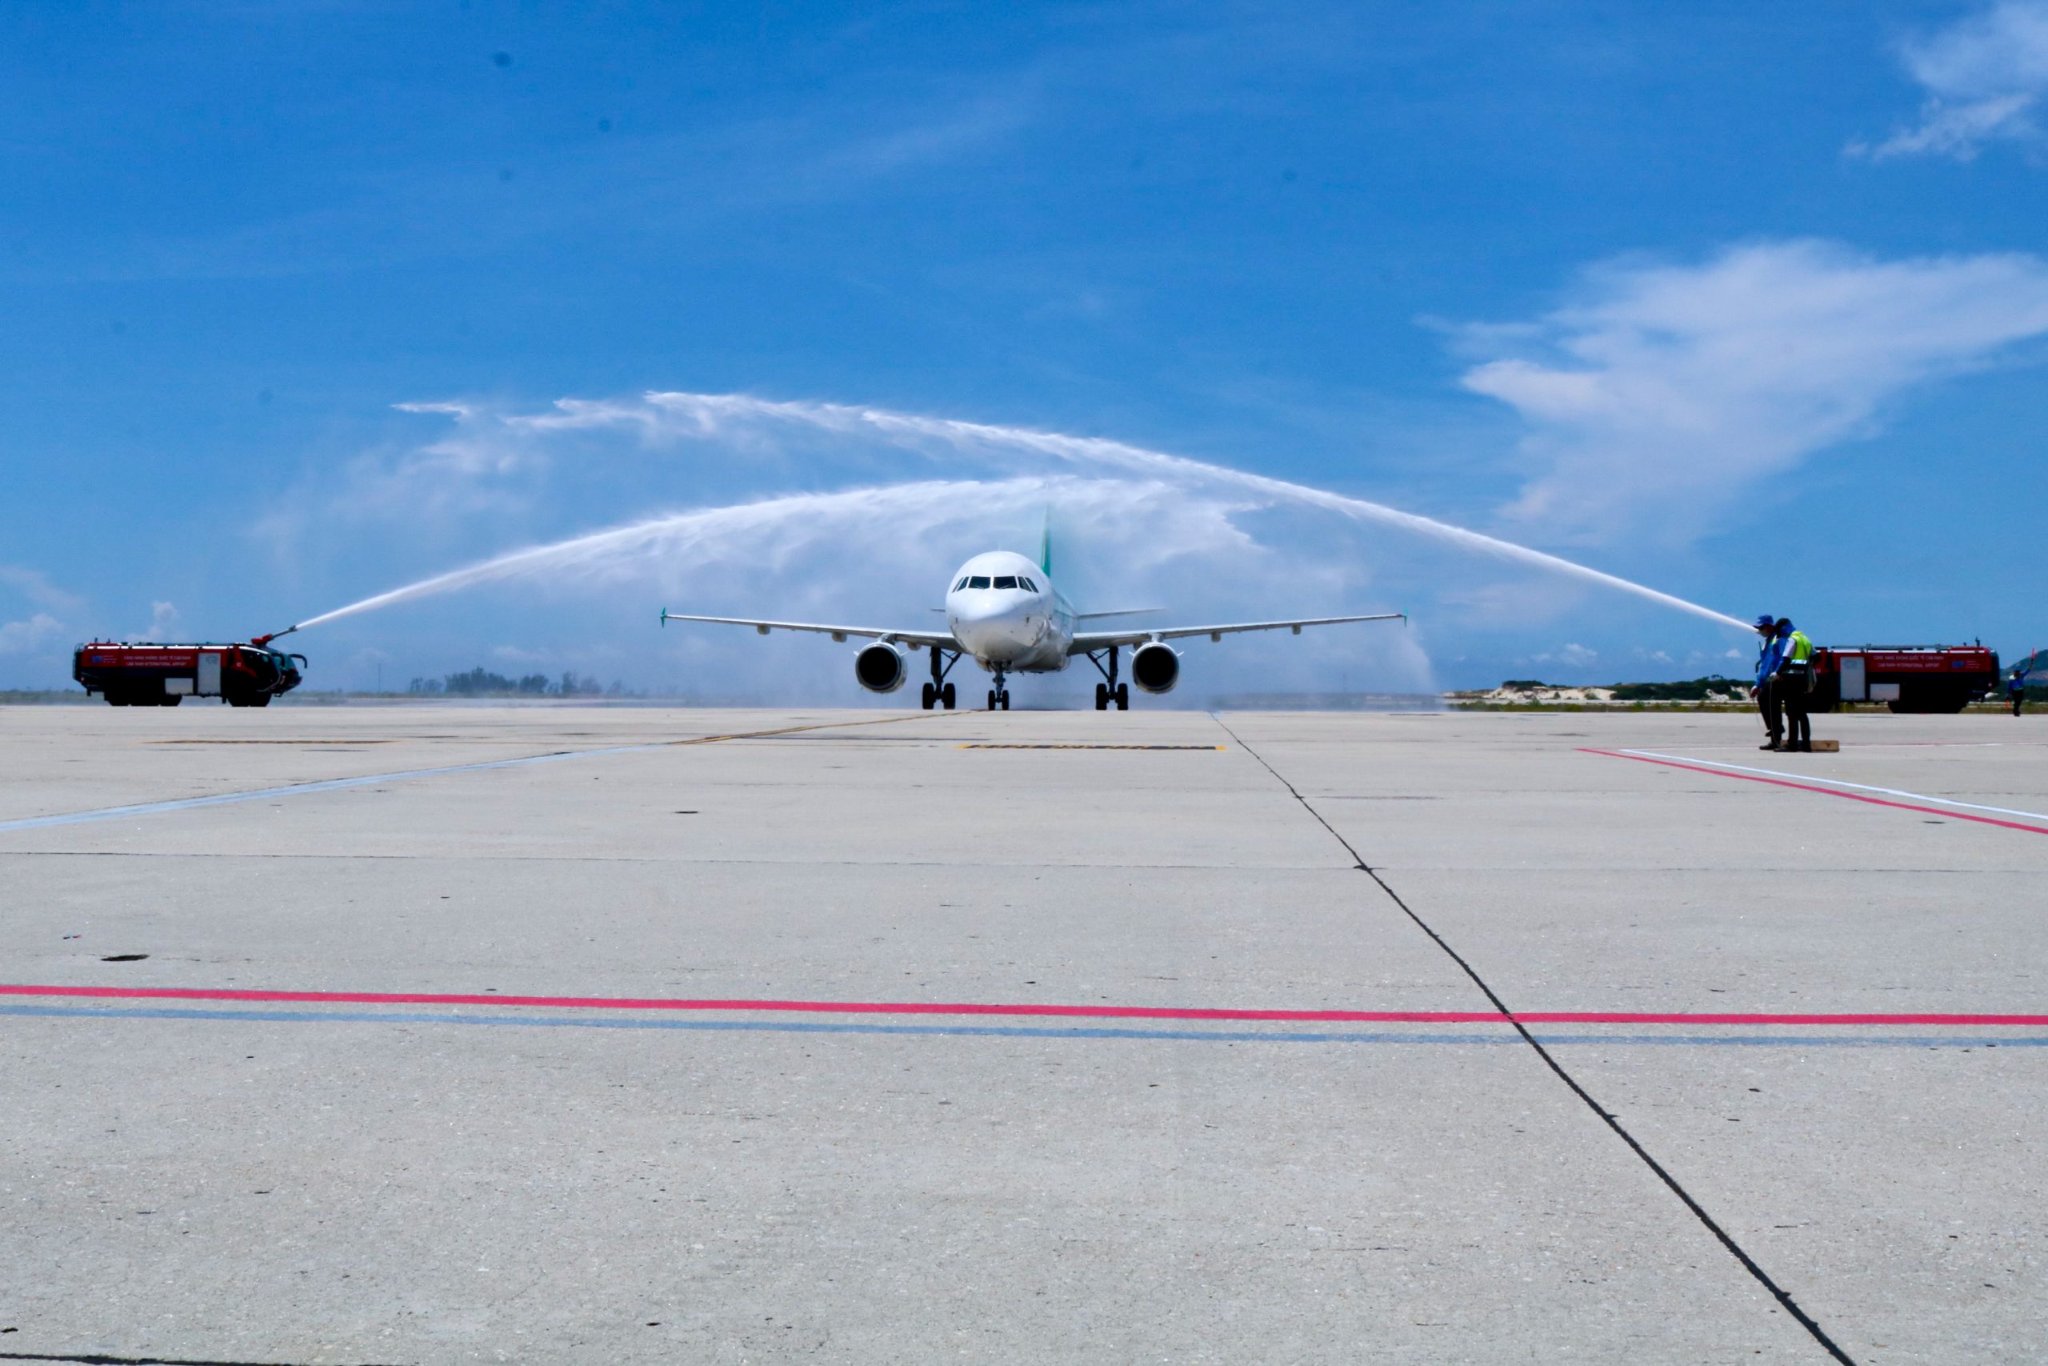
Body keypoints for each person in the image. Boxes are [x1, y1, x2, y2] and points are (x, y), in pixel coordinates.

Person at [1774, 617, 1816, 752]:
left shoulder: (1793, 639)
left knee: (1791, 713)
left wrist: (1777, 672)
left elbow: (1785, 658)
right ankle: (1806, 744)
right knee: (1802, 713)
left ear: (1784, 628)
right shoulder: (1804, 638)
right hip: (1803, 679)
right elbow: (1816, 656)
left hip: (1791, 679)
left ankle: (1792, 744)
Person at [1751, 615, 1783, 750]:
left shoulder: (1777, 640)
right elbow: (1763, 666)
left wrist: (1776, 674)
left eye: (1761, 627)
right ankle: (1774, 732)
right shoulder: (1767, 642)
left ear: (1769, 626)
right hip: (1766, 679)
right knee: (1765, 703)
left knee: (1773, 707)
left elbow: (1773, 662)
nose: (1759, 630)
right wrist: (1757, 684)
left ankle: (1776, 735)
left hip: (1774, 679)